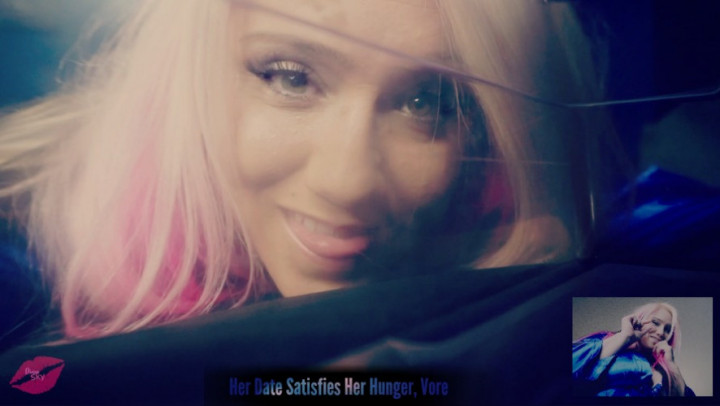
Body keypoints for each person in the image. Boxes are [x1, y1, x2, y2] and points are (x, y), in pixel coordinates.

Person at [0, 0, 597, 340]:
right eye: (290, 78)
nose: (348, 182)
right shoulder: (20, 262)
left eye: (429, 102)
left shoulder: (540, 263)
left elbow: (649, 366)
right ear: (192, 73)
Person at [572, 302, 695, 397]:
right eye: (655, 322)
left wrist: (672, 366)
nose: (661, 332)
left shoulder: (663, 369)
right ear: (639, 319)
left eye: (667, 329)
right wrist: (625, 336)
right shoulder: (605, 340)